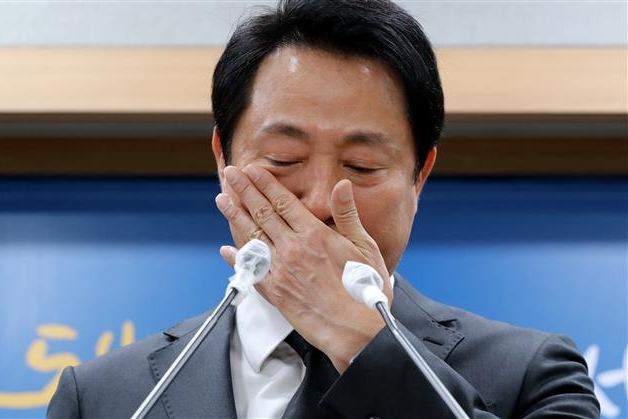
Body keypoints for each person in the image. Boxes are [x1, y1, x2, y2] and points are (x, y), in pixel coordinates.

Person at [47, 0, 599, 417]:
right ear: (222, 158)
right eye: (283, 159)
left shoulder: (531, 376)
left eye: (361, 166)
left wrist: (367, 343)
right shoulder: (103, 396)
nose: (317, 202)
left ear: (420, 176)